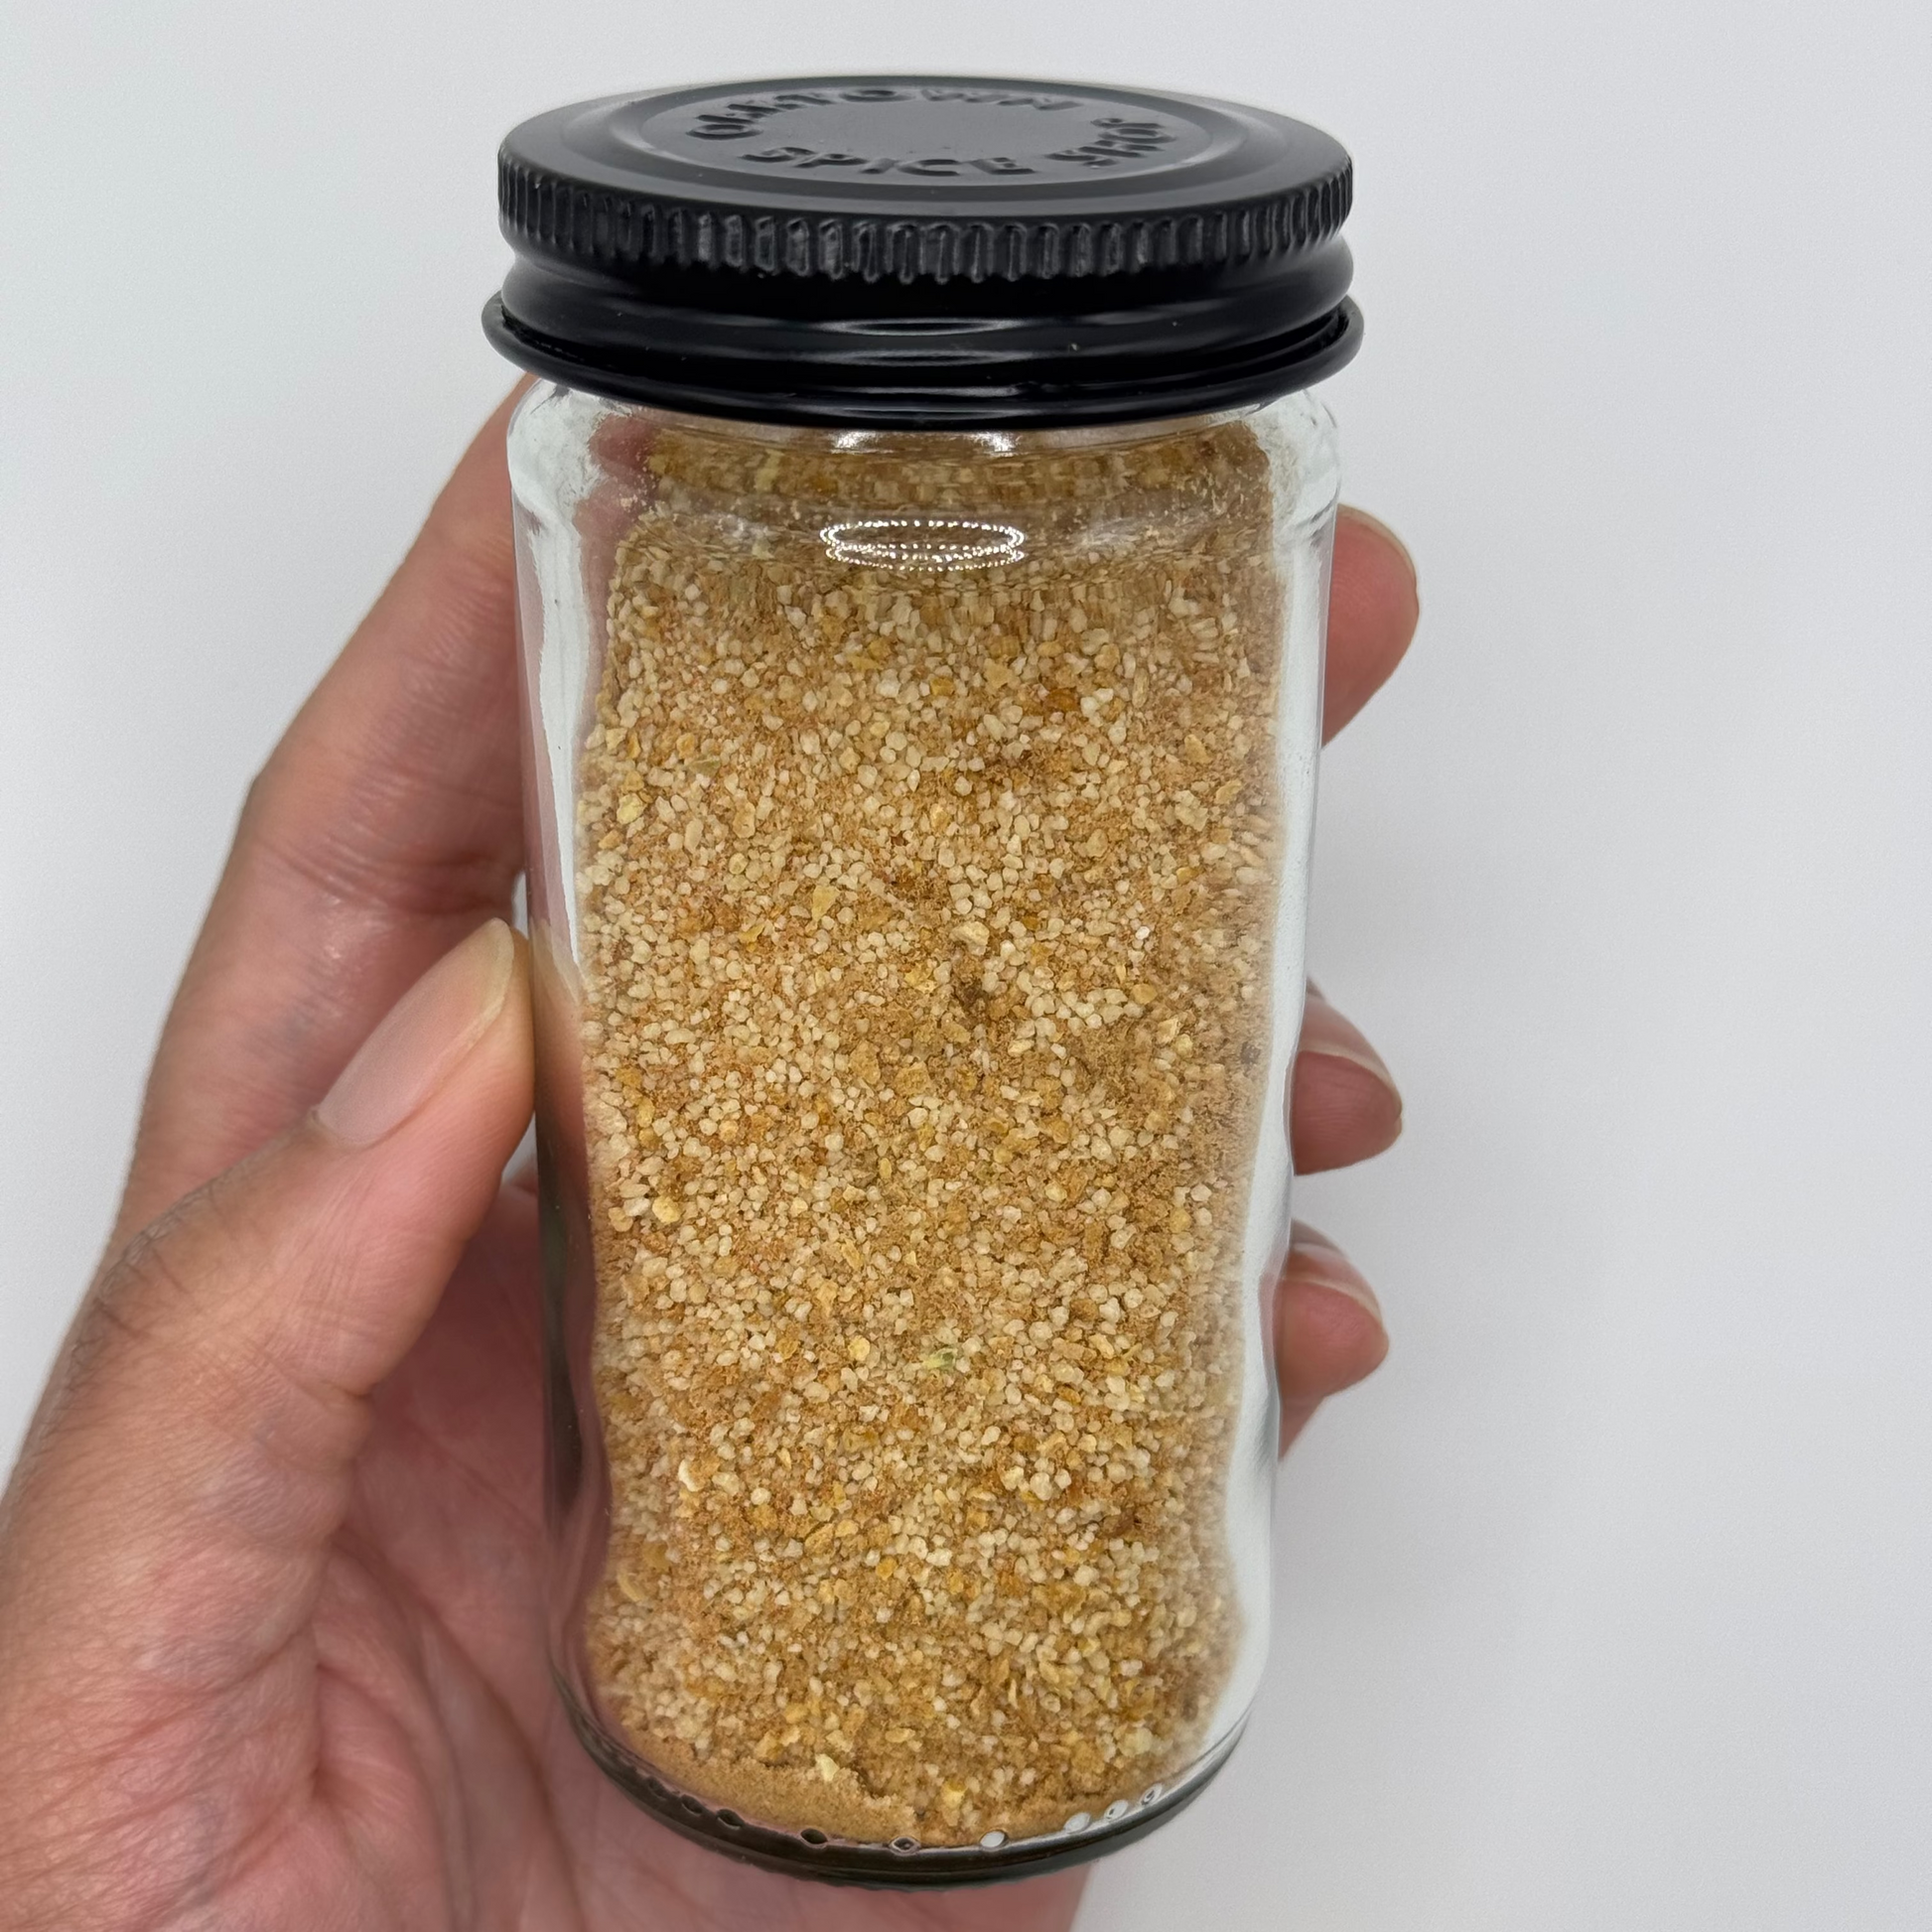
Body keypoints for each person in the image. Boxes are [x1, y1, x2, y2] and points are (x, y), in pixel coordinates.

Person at [0, 393, 1418, 1931]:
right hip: (629, 1669)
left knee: (1185, 1098)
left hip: (1054, 1653)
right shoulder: (627, 478)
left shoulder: (1210, 492)